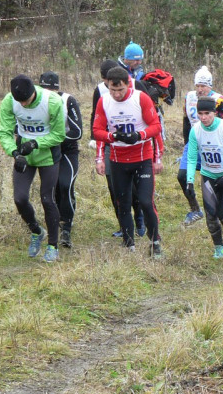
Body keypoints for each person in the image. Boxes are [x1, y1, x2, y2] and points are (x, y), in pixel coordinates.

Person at [92, 66, 164, 257]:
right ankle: (128, 243)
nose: (116, 94)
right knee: (122, 203)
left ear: (128, 84)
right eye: (112, 90)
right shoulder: (104, 101)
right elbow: (96, 130)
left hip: (142, 157)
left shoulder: (140, 98)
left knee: (145, 202)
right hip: (118, 159)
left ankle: (155, 241)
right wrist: (112, 136)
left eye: (120, 90)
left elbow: (156, 126)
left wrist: (139, 135)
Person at [0, 74, 66, 263]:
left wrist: (36, 144)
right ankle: (37, 231)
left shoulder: (52, 101)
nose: (24, 105)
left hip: (48, 155)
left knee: (47, 199)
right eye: (21, 103)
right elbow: (4, 131)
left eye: (27, 101)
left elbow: (59, 135)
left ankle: (53, 245)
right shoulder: (10, 101)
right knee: (19, 198)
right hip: (24, 155)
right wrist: (14, 153)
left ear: (33, 93)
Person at [90, 59, 145, 239]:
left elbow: (150, 114)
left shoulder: (136, 86)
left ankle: (139, 218)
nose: (111, 87)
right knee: (114, 186)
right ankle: (123, 226)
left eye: (114, 85)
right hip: (109, 143)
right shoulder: (99, 91)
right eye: (107, 82)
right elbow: (95, 117)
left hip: (135, 143)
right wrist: (96, 140)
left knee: (135, 187)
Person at [185, 96, 223, 258]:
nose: (203, 117)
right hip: (208, 176)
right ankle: (219, 247)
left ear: (214, 113)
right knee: (211, 215)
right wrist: (189, 182)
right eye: (200, 114)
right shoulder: (195, 130)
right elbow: (191, 158)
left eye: (207, 113)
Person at [178, 66, 223, 226]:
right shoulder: (189, 97)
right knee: (182, 176)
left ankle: (219, 209)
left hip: (214, 144)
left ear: (210, 86)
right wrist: (186, 143)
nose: (200, 89)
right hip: (194, 142)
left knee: (213, 179)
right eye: (198, 86)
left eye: (204, 86)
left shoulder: (219, 99)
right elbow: (186, 120)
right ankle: (195, 209)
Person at [39, 71, 83, 248]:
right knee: (51, 191)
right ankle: (54, 225)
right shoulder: (34, 102)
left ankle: (66, 228)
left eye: (52, 90)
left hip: (66, 150)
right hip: (46, 151)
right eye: (44, 90)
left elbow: (77, 131)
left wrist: (55, 138)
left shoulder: (68, 100)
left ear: (57, 89)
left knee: (65, 186)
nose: (48, 94)